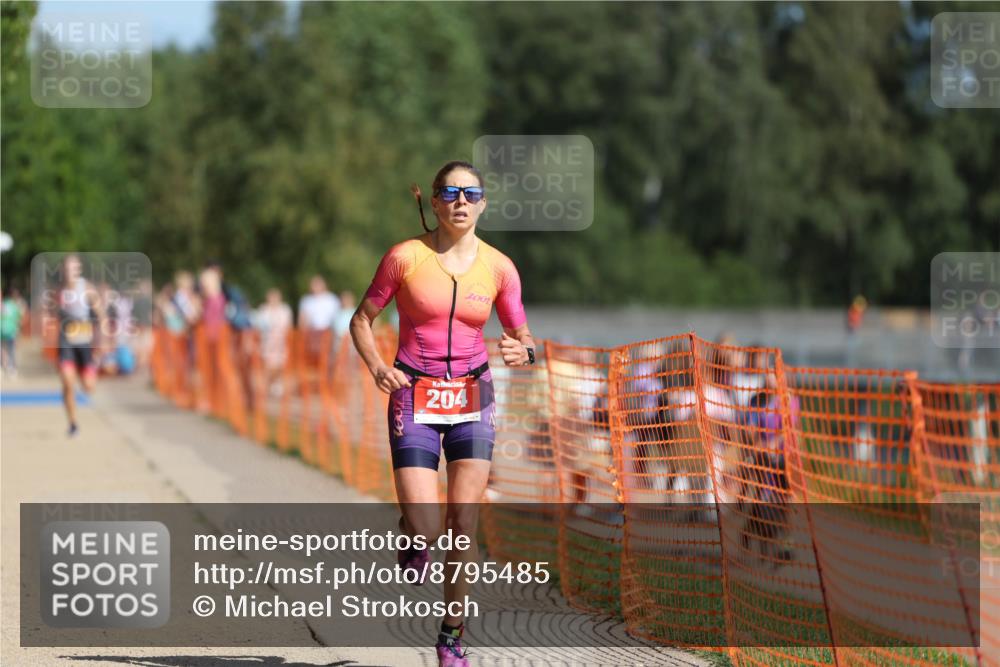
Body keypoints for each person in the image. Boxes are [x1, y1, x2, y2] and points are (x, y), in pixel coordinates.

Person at [350, 160, 534, 667]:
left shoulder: (499, 267)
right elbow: (361, 320)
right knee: (429, 525)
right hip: (414, 393)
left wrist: (525, 351)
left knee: (463, 521)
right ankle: (412, 533)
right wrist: (376, 367)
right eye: (450, 192)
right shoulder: (404, 257)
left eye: (471, 194)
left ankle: (451, 635)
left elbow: (522, 334)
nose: (460, 201)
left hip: (474, 395)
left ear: (483, 203)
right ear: (434, 202)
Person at [54, 255, 102, 436]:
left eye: (73, 269)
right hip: (66, 342)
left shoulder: (87, 289)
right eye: (66, 269)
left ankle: (88, 372)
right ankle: (73, 424)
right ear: (62, 271)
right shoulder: (59, 291)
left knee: (89, 387)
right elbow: (54, 316)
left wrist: (100, 343)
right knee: (67, 382)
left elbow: (102, 315)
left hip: (85, 342)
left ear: (78, 270)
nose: (69, 273)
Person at [255, 287, 293, 396]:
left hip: (280, 343)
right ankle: (268, 387)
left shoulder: (284, 310)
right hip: (267, 343)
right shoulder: (263, 310)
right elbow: (259, 326)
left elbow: (287, 326)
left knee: (279, 365)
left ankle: (274, 385)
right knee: (268, 365)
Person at [1, 286, 24, 377]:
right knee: (11, 350)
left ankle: (2, 368)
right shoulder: (15, 306)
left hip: (2, 330)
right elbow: (19, 320)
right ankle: (12, 369)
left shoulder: (2, 304)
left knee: (3, 350)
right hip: (11, 331)